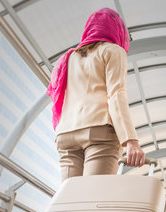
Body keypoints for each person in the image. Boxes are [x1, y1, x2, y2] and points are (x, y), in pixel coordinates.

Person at [47, 8, 145, 181]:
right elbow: (116, 95)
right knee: (92, 197)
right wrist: (131, 141)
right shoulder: (113, 51)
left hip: (66, 135)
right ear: (118, 31)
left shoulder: (69, 58)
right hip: (99, 132)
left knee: (70, 199)